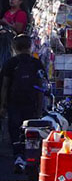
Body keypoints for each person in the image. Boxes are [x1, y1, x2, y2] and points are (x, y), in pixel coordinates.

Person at [1, 34, 45, 172]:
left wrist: (2, 105)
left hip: (14, 102)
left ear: (14, 47)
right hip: (31, 103)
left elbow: (5, 86)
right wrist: (40, 107)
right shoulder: (36, 63)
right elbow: (41, 86)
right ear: (30, 46)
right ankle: (30, 157)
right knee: (31, 129)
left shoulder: (10, 63)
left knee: (15, 129)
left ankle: (18, 156)